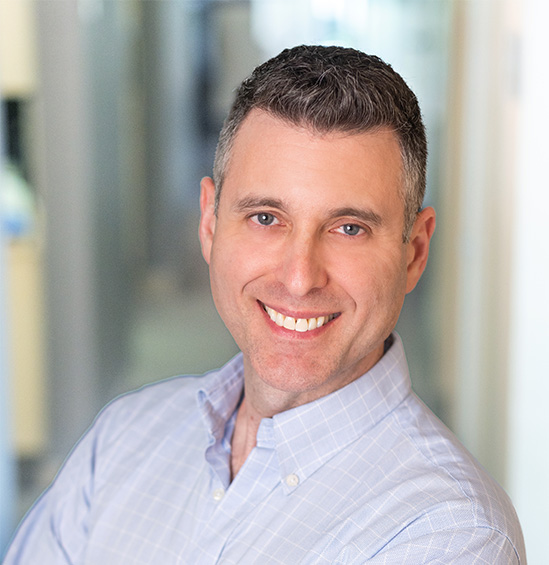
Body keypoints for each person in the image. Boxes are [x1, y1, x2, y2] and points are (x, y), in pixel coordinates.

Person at [4, 45, 525, 564]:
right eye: (266, 218)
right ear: (209, 224)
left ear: (413, 252)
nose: (299, 278)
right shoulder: (122, 439)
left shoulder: (450, 536)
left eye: (348, 228)